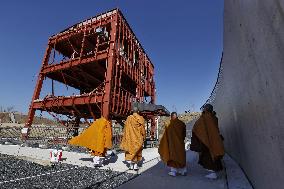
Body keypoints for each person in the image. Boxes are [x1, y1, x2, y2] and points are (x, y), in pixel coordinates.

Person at [190, 104, 225, 179]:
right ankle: (214, 172)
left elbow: (196, 127)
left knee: (208, 157)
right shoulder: (215, 118)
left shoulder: (204, 118)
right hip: (215, 140)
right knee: (214, 155)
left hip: (207, 141)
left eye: (204, 109)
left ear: (205, 109)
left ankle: (213, 173)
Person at [159, 112, 187, 177]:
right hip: (180, 144)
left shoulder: (168, 124)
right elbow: (184, 135)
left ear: (171, 117)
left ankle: (173, 171)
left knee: (172, 156)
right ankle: (183, 170)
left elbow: (165, 136)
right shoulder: (182, 124)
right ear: (177, 116)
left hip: (172, 144)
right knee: (181, 156)